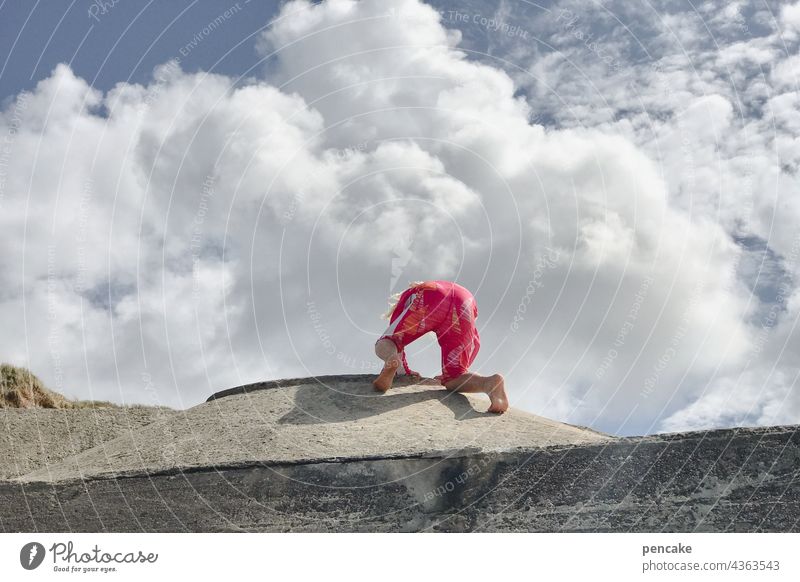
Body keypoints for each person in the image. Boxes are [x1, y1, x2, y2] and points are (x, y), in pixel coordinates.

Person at [373, 280, 509, 413]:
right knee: (453, 379)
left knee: (385, 342)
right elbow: (475, 345)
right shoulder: (455, 291)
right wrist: (452, 374)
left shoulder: (411, 293)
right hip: (465, 301)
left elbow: (395, 342)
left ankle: (390, 360)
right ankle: (489, 383)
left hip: (431, 294)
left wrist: (402, 371)